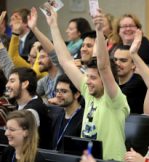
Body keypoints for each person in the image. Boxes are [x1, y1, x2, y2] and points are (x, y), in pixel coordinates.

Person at [45, 7, 129, 161]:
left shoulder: (115, 98)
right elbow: (65, 61)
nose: (87, 81)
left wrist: (99, 31)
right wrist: (53, 25)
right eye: (87, 77)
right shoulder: (88, 91)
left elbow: (103, 67)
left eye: (93, 78)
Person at [5, 67, 52, 149]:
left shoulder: (32, 111)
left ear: (24, 84)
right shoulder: (18, 104)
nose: (7, 85)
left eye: (12, 81)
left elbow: (22, 143)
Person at [51, 74, 84, 150]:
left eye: (63, 91)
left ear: (76, 94)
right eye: (57, 91)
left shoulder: (84, 119)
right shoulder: (58, 117)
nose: (58, 95)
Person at [113, 45, 147, 114]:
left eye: (123, 60)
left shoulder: (138, 82)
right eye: (115, 60)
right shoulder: (114, 81)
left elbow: (115, 98)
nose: (117, 64)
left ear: (133, 64)